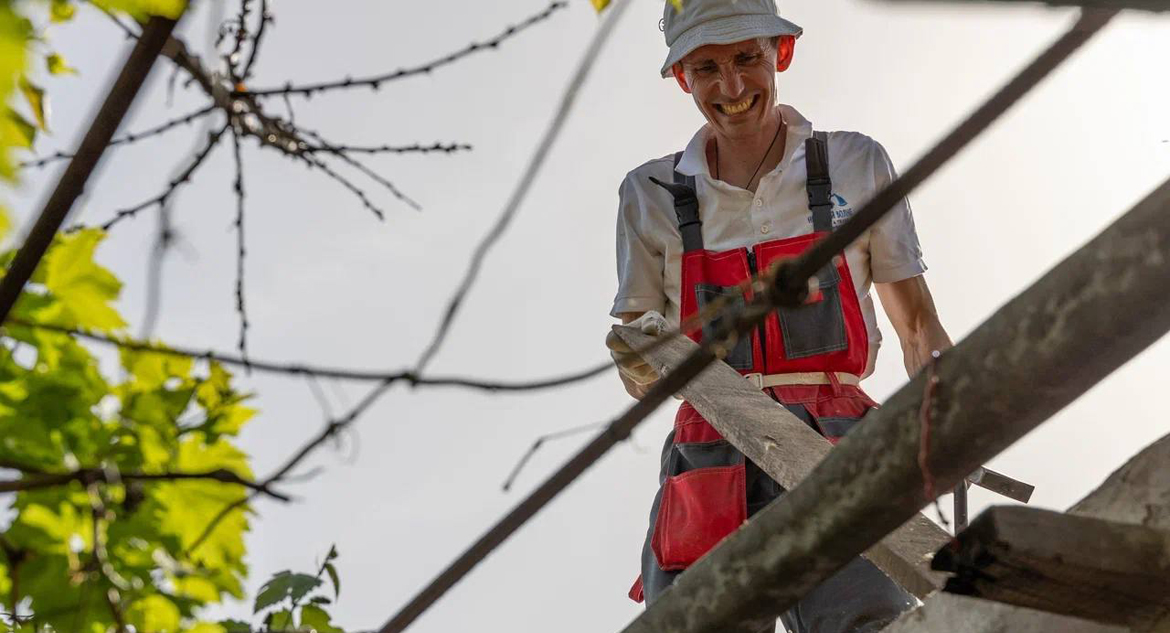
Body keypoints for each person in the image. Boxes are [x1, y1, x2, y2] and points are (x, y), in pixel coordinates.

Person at [606, 1, 953, 631]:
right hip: (709, 448)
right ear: (682, 75)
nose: (732, 87)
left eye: (747, 59)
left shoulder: (853, 163)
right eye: (707, 67)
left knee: (866, 622)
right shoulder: (650, 195)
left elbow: (917, 326)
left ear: (780, 54)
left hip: (838, 442)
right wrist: (638, 361)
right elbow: (636, 353)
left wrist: (949, 410)